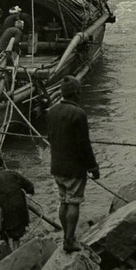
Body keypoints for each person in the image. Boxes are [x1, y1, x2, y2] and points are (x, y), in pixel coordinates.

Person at [46, 75, 100, 253]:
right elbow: (84, 144)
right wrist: (93, 167)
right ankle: (69, 240)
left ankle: (65, 237)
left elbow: (50, 138)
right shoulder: (79, 114)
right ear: (75, 93)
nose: (81, 94)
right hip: (74, 169)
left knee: (63, 201)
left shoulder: (51, 111)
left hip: (57, 167)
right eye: (80, 91)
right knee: (74, 203)